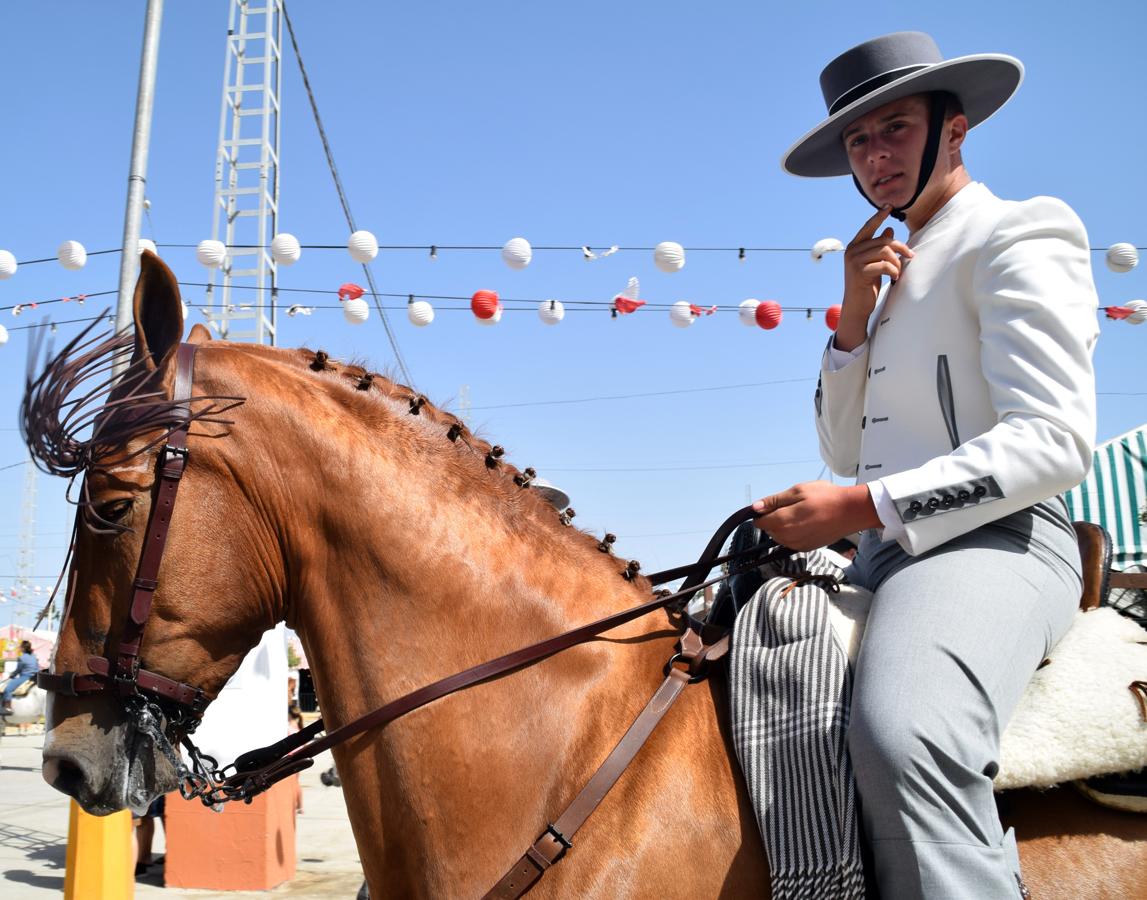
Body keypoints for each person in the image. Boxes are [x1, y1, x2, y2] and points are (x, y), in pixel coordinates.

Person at [752, 31, 1098, 898]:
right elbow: (840, 451)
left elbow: (1055, 440)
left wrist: (861, 506)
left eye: (894, 128)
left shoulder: (1020, 230)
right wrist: (850, 322)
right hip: (880, 551)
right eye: (859, 141)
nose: (873, 155)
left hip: (999, 542)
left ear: (954, 128)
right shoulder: (880, 270)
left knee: (904, 729)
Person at [1, 640, 39, 714]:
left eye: (20, 647)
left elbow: (18, 670)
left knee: (8, 688)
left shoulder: (22, 658)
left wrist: (12, 675)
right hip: (35, 677)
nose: (19, 648)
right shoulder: (34, 656)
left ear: (23, 648)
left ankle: (7, 707)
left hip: (25, 677)